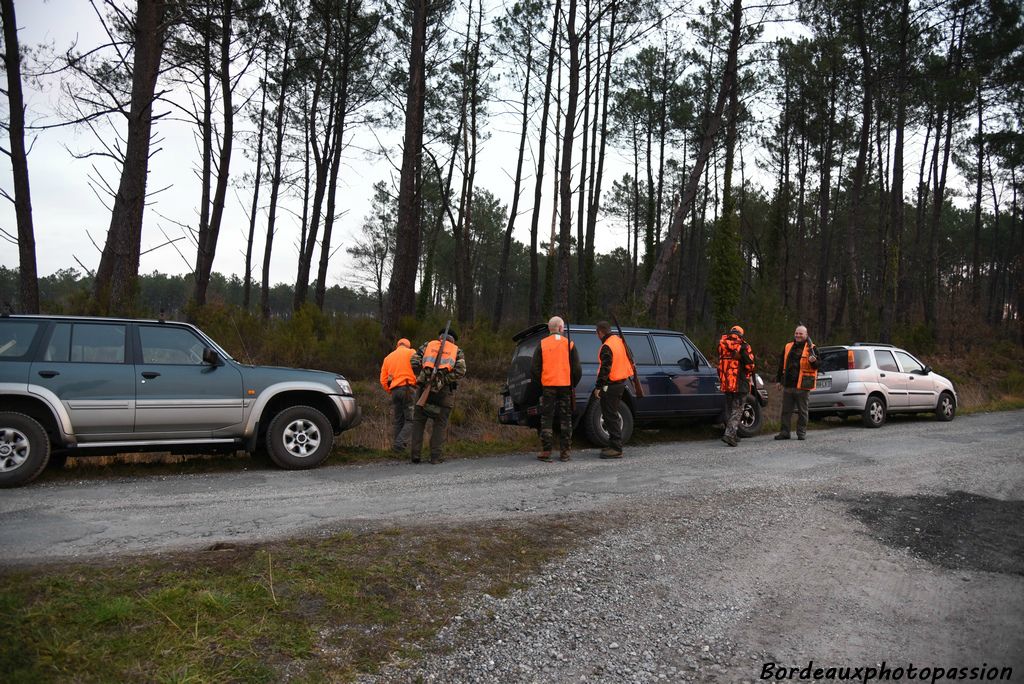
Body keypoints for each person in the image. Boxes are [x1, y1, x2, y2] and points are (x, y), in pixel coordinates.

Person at [409, 328, 467, 464]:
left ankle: (415, 455)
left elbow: (413, 361)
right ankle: (435, 457)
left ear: (439, 337)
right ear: (453, 340)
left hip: (424, 388)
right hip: (444, 392)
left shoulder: (428, 345)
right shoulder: (456, 350)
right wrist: (444, 379)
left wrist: (425, 373)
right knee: (439, 425)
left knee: (419, 421)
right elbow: (461, 370)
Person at [531, 316, 582, 462]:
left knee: (547, 418)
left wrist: (542, 382)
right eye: (563, 327)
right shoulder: (569, 344)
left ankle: (546, 451)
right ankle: (565, 453)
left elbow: (534, 368)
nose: (564, 329)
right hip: (565, 386)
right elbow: (577, 369)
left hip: (548, 387)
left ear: (549, 328)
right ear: (560, 328)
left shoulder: (542, 344)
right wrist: (573, 384)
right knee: (566, 419)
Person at [594, 320, 633, 459]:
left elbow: (605, 368)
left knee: (610, 416)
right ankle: (613, 444)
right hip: (620, 383)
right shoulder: (619, 341)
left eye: (597, 333)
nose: (597, 336)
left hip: (610, 385)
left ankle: (616, 448)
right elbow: (630, 356)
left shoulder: (607, 346)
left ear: (600, 332)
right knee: (612, 415)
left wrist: (598, 387)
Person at [774, 324, 819, 441]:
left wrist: (813, 362)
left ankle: (801, 433)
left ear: (806, 335)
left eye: (800, 334)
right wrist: (779, 380)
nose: (798, 335)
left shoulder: (812, 348)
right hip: (788, 384)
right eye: (796, 333)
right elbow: (781, 364)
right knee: (785, 411)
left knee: (803, 412)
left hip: (803, 385)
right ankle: (785, 432)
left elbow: (818, 365)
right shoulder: (788, 346)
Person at [717, 325, 755, 447]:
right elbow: (750, 365)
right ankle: (729, 435)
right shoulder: (744, 346)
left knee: (729, 409)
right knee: (737, 410)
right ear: (741, 335)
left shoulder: (722, 345)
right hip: (740, 383)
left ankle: (733, 434)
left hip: (726, 383)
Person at [379, 338, 417, 452]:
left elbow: (383, 380)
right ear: (408, 346)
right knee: (410, 420)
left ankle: (397, 449)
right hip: (408, 389)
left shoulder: (388, 358)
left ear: (398, 345)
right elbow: (419, 368)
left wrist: (390, 390)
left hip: (395, 391)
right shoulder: (411, 352)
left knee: (398, 420)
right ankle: (399, 444)